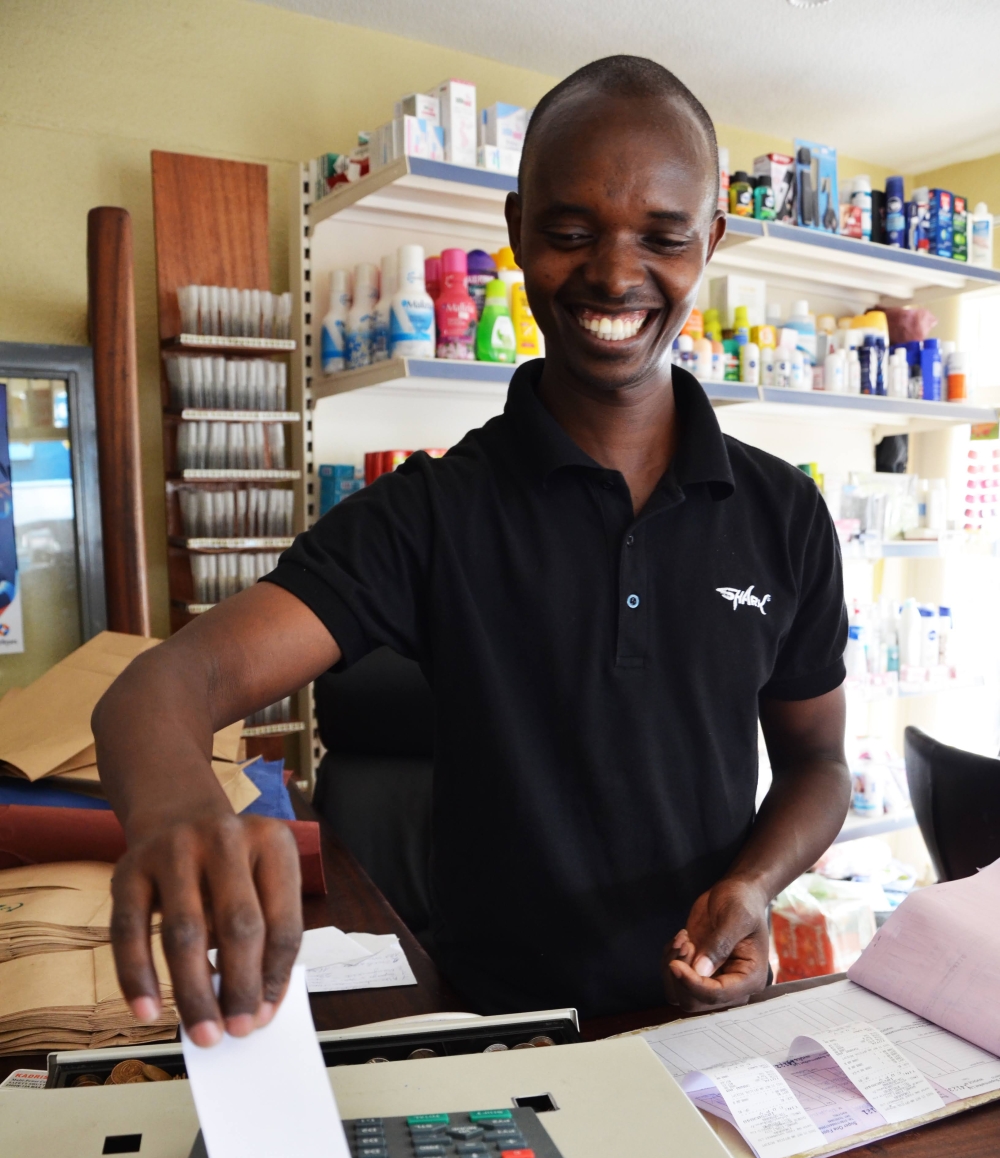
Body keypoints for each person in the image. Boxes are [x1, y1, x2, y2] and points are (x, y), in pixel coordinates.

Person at [93, 55, 849, 1048]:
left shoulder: (783, 513)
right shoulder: (431, 514)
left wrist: (751, 887)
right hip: (499, 1032)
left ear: (708, 240)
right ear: (516, 232)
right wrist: (177, 808)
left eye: (661, 237)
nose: (615, 276)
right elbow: (158, 688)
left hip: (701, 1028)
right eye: (570, 233)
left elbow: (818, 762)